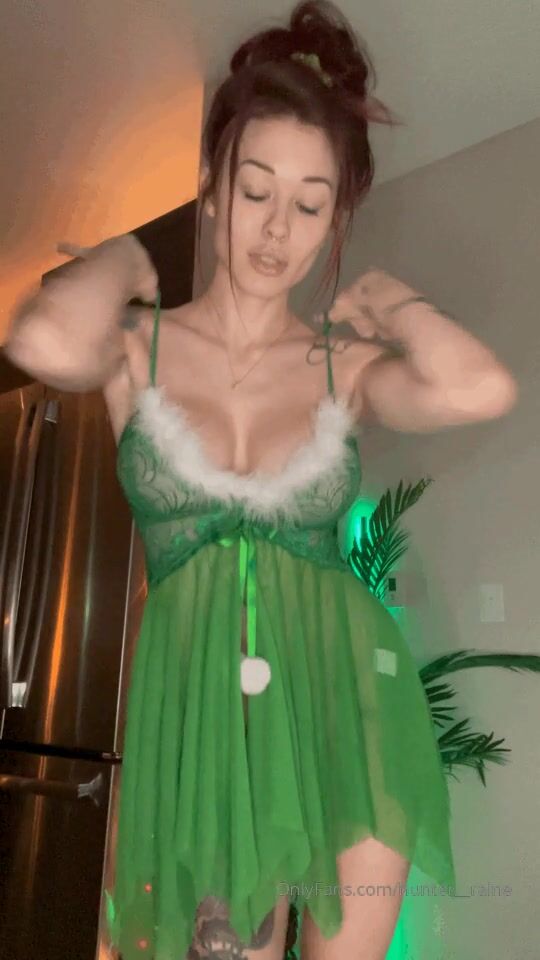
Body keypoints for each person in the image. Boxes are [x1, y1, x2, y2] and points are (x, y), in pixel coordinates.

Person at [4, 2, 518, 958]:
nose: (279, 229)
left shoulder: (341, 365)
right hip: (200, 730)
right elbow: (41, 341)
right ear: (212, 188)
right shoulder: (138, 349)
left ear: (336, 220)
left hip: (347, 715)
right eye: (256, 191)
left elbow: (480, 388)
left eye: (311, 205)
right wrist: (125, 253)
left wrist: (394, 302)